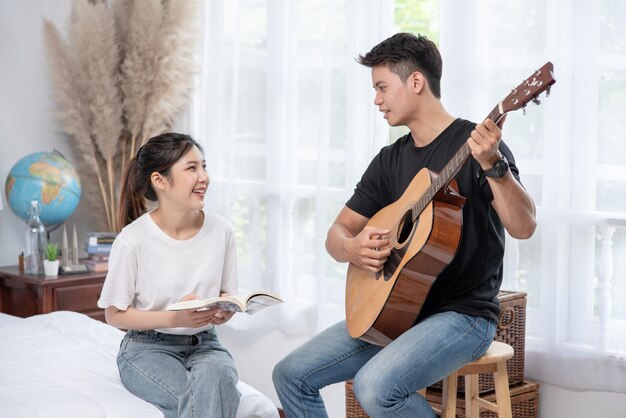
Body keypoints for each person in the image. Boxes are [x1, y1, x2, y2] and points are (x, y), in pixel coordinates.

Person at [272, 33, 537, 417]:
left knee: (375, 386)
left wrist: (494, 166)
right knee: (290, 374)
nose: (376, 100)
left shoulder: (478, 146)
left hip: (463, 315)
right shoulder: (389, 160)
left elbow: (524, 226)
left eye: (381, 87)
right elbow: (336, 235)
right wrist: (352, 248)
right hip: (396, 315)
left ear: (415, 82)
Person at [97, 133, 240, 418]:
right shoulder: (132, 240)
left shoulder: (221, 230)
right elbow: (114, 314)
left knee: (219, 380)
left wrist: (225, 310)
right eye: (191, 168)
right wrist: (175, 318)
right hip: (147, 349)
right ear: (159, 181)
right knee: (202, 400)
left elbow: (227, 296)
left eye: (204, 166)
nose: (204, 177)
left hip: (206, 344)